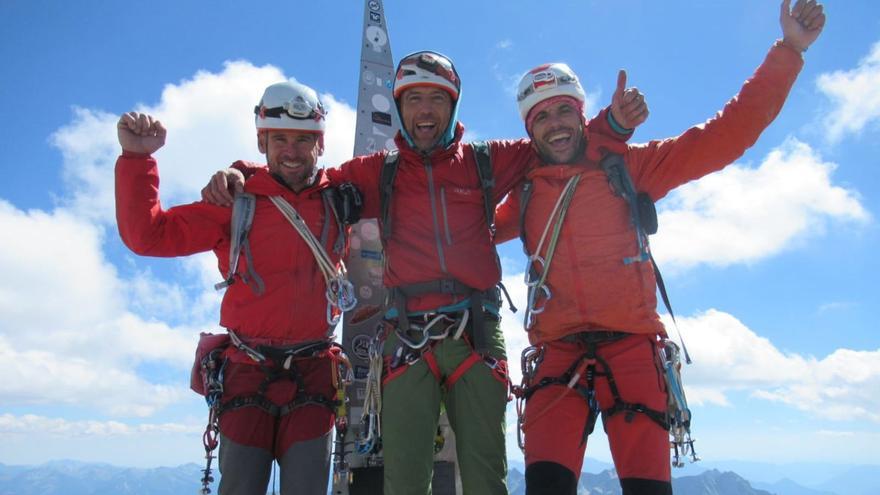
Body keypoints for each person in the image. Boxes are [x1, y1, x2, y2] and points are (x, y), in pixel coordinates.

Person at [202, 52, 647, 495]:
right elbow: (306, 180)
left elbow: (557, 139)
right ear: (400, 107)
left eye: (437, 97)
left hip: (475, 327)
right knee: (405, 480)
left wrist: (613, 127)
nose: (425, 109)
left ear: (453, 105)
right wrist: (244, 174)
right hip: (409, 332)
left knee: (486, 476)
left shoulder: (486, 161)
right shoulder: (380, 172)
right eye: (413, 99)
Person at [493, 1, 826, 494]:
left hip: (631, 349)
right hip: (557, 356)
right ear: (528, 129)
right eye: (541, 115)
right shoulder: (523, 196)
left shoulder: (628, 166)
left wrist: (790, 50)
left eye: (565, 108)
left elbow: (725, 136)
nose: (556, 122)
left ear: (583, 116)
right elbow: (458, 233)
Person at [114, 80, 363, 495]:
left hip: (314, 373)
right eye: (279, 138)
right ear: (262, 142)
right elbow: (149, 236)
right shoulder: (236, 202)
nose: (291, 150)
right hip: (247, 373)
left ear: (320, 144)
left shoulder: (339, 201)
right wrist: (137, 159)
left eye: (303, 140)